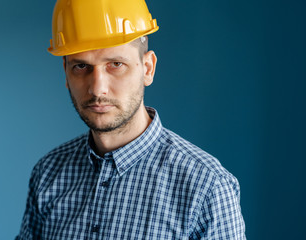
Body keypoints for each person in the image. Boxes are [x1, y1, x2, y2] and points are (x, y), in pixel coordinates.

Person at [16, 0, 246, 239]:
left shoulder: (206, 186)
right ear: (65, 72)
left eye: (116, 64)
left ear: (148, 68)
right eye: (82, 66)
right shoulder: (48, 173)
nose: (98, 89)